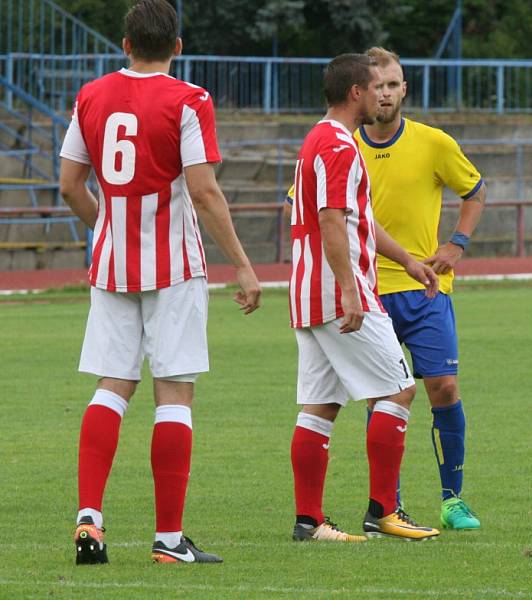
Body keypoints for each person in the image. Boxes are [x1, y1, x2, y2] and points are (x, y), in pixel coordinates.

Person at [59, 0, 261, 564]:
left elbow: (70, 184)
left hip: (111, 266)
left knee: (111, 385)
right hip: (172, 267)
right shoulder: (189, 99)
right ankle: (170, 541)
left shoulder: (90, 96)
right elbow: (203, 191)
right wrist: (242, 264)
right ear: (178, 45)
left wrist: (109, 228)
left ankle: (90, 521)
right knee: (173, 392)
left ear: (125, 44)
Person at [286, 47, 485, 531]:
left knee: (319, 406)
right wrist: (352, 292)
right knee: (398, 390)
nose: (385, 96)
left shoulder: (318, 138)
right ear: (357, 92)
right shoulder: (340, 146)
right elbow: (333, 222)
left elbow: (359, 223)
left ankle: (309, 521)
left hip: (309, 293)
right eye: (376, 88)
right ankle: (384, 511)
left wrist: (410, 262)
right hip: (342, 294)